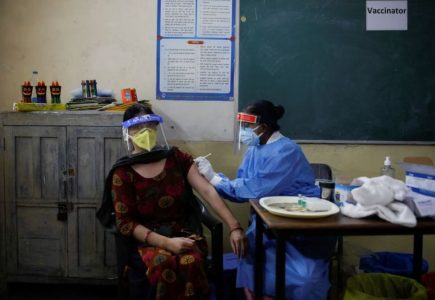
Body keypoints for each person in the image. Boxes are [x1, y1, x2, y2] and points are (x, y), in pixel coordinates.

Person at [102, 103, 247, 300]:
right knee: (164, 265)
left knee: (191, 261)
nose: (145, 131)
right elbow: (125, 223)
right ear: (128, 132)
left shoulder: (176, 158)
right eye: (137, 128)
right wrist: (166, 243)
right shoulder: (123, 173)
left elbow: (206, 190)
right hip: (146, 240)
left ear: (156, 127)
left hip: (183, 232)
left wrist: (234, 226)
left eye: (150, 125)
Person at [195, 100, 336, 300]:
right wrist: (214, 178)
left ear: (265, 126)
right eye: (242, 125)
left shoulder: (286, 151)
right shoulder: (256, 148)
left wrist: (214, 178)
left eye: (248, 125)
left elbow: (253, 188)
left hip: (299, 227)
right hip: (266, 225)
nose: (244, 130)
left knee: (305, 279)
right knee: (253, 266)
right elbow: (242, 185)